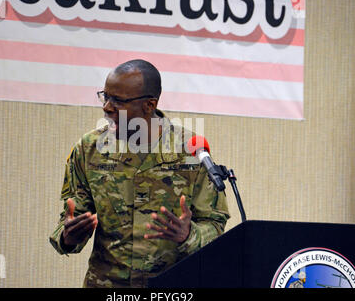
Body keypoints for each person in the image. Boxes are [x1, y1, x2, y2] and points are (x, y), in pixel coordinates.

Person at [49, 59, 229, 288]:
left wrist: (188, 235)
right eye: (106, 97)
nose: (106, 107)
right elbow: (70, 218)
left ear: (149, 105)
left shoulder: (191, 150)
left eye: (118, 101)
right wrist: (67, 237)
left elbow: (215, 225)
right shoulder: (89, 149)